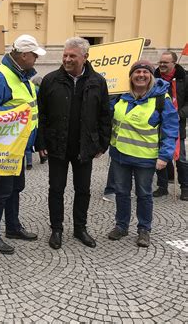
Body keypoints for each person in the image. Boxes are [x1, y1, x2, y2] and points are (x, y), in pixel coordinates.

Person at [36, 37, 111, 250]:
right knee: (56, 189)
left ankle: (80, 228)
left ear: (85, 57)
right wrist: (41, 141)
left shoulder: (98, 81)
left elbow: (105, 114)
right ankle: (56, 229)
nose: (67, 59)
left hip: (84, 147)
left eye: (72, 56)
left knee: (83, 190)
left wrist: (102, 144)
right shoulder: (50, 80)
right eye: (65, 55)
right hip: (57, 145)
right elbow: (41, 114)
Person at [0, 34, 44, 254]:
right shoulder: (1, 77)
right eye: (34, 55)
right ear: (24, 55)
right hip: (7, 148)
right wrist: (16, 114)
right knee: (1, 190)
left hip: (20, 148)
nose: (36, 59)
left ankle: (13, 227)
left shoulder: (22, 75)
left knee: (16, 188)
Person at [107, 60, 178, 247]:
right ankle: (121, 226)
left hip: (145, 158)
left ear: (151, 77)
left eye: (145, 72)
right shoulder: (121, 97)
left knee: (144, 194)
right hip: (120, 155)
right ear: (130, 77)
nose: (141, 75)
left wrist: (164, 156)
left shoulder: (161, 99)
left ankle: (144, 229)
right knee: (121, 192)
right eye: (136, 72)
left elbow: (171, 129)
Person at [152, 51, 188, 200]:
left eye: (165, 63)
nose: (161, 65)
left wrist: (180, 114)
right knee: (160, 154)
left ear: (174, 63)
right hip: (158, 123)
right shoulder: (154, 78)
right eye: (160, 62)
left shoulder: (185, 78)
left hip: (177, 123)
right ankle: (162, 186)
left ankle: (185, 187)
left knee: (181, 157)